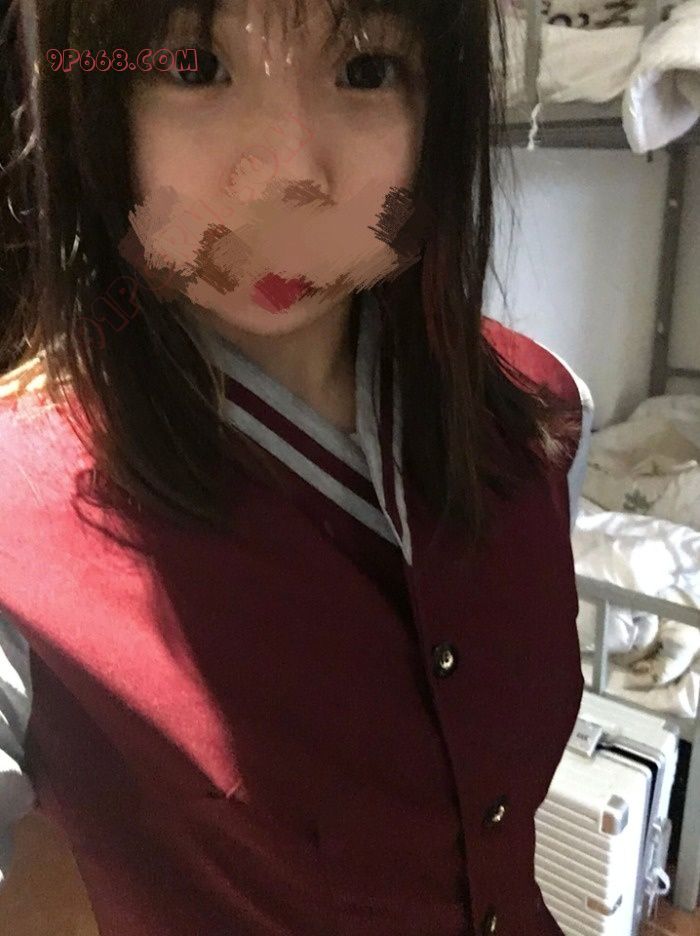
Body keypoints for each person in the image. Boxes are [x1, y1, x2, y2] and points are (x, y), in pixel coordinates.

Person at [0, 0, 594, 933]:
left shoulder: (541, 414)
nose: (286, 175)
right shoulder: (18, 512)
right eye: (194, 68)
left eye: (365, 70)